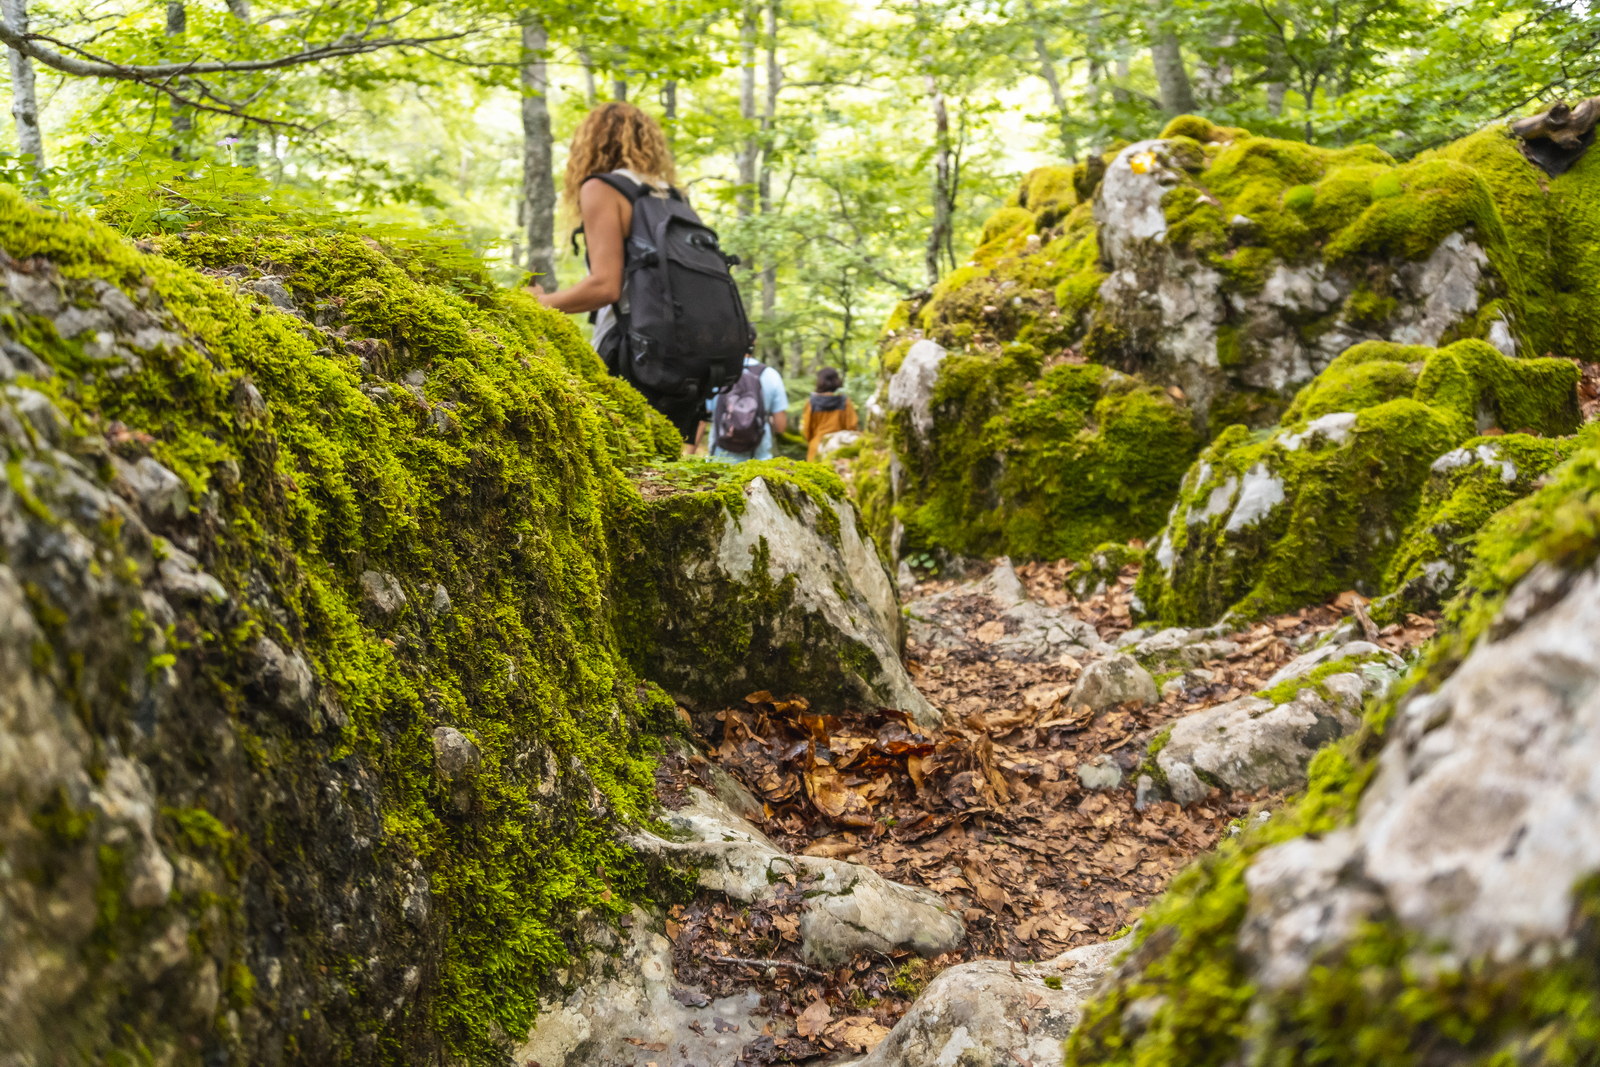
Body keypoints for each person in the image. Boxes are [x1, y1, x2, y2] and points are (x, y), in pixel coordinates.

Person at [531, 102, 705, 440]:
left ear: (592, 142)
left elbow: (606, 287)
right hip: (685, 353)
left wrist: (539, 302)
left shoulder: (603, 188)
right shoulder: (672, 196)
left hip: (632, 350)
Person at [699, 356, 788, 462]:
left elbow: (701, 422)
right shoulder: (771, 375)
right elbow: (780, 427)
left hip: (719, 460)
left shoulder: (716, 373)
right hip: (758, 461)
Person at [800, 366, 859, 461]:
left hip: (816, 447)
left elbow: (806, 429)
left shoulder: (811, 402)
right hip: (838, 448)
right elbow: (852, 426)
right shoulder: (845, 401)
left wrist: (811, 441)